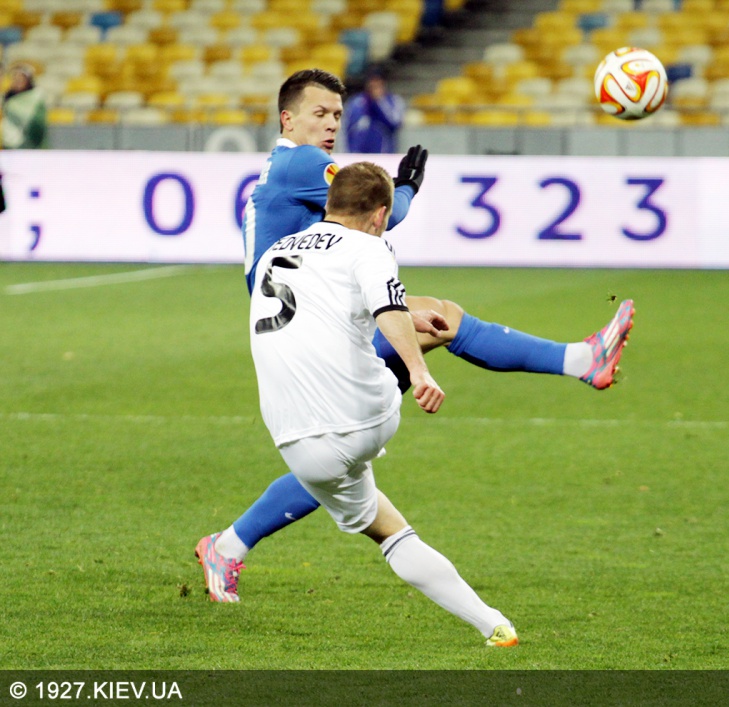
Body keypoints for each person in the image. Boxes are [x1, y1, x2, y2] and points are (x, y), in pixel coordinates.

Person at [197, 68, 634, 602]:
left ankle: (228, 546)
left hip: (307, 326)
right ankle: (582, 360)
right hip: (311, 332)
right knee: (361, 422)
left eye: (337, 115)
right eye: (319, 113)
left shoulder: (283, 169)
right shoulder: (301, 162)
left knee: (342, 450)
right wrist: (405, 186)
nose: (331, 124)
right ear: (287, 119)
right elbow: (380, 213)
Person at [215, 160, 518, 646]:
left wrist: (407, 316)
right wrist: (418, 370)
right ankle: (493, 624)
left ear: (329, 203)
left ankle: (494, 625)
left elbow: (327, 306)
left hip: (295, 443)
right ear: (380, 215)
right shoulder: (369, 247)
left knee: (391, 532)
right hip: (366, 417)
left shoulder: (277, 251)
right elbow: (386, 304)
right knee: (437, 325)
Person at [342, 66, 404, 154]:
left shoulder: (394, 101)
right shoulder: (355, 101)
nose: (374, 85)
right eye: (371, 81)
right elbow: (346, 127)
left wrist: (378, 102)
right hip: (357, 153)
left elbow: (395, 123)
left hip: (384, 154)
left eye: (378, 82)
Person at [1, 63, 47, 149]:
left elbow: (38, 124)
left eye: (21, 79)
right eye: (15, 78)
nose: (17, 81)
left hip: (29, 143)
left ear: (28, 80)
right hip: (8, 144)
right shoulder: (7, 98)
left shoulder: (35, 97)